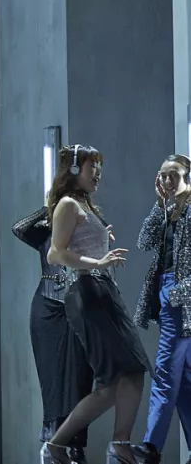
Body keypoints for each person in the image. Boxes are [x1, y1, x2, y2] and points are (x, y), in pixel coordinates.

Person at [42, 145, 148, 464]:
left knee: (119, 379)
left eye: (99, 167)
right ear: (74, 169)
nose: (98, 173)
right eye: (92, 167)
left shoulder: (83, 204)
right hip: (89, 292)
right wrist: (99, 262)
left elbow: (79, 243)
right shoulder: (67, 205)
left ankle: (62, 445)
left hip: (101, 292)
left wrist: (100, 238)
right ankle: (115, 445)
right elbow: (55, 253)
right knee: (125, 373)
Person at [12, 206, 92, 464]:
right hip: (46, 309)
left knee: (81, 378)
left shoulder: (86, 228)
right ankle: (51, 441)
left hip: (78, 307)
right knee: (51, 380)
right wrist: (48, 209)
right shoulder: (45, 231)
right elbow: (18, 229)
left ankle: (77, 446)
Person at [131, 154, 191, 464]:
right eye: (163, 175)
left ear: (188, 178)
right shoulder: (168, 210)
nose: (168, 181)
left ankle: (151, 446)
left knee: (166, 370)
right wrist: (158, 205)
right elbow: (143, 242)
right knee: (185, 380)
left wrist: (177, 294)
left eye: (174, 175)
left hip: (179, 297)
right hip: (171, 295)